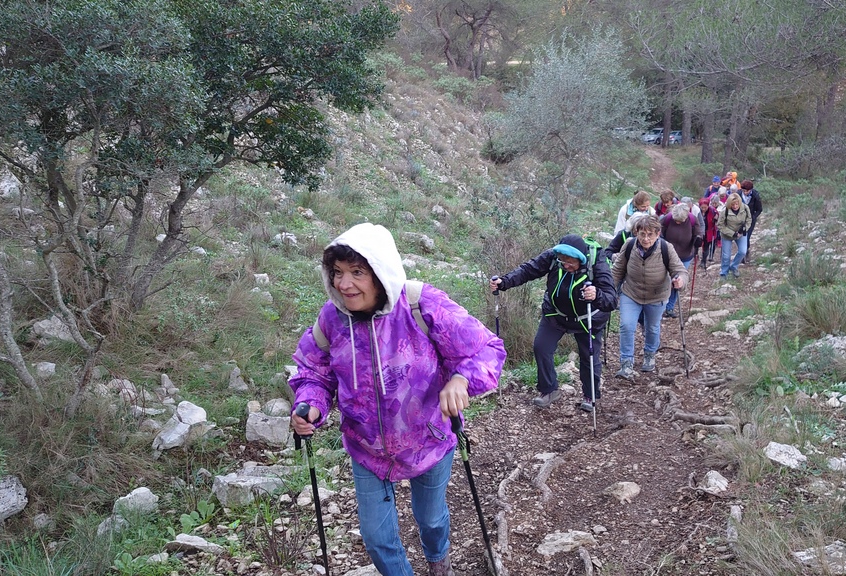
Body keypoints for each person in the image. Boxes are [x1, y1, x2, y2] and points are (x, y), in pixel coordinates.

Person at [289, 223, 506, 576]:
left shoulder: (421, 303)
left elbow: (487, 349)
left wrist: (461, 380)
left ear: (380, 272)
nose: (344, 284)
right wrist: (310, 402)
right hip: (366, 447)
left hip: (430, 439)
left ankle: (439, 563)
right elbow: (312, 371)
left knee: (431, 519)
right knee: (376, 538)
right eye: (338, 273)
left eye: (357, 272)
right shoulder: (332, 319)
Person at [490, 235, 617, 412]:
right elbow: (529, 270)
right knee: (541, 347)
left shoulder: (597, 263)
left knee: (588, 356)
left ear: (580, 259)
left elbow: (611, 300)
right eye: (562, 261)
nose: (565, 265)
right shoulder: (553, 257)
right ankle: (549, 390)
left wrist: (597, 295)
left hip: (588, 317)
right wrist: (504, 282)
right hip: (556, 313)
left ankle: (591, 395)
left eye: (570, 262)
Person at [610, 216, 688, 377]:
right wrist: (608, 289)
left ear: (658, 234)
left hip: (657, 296)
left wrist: (680, 280)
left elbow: (679, 270)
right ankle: (626, 363)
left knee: (652, 328)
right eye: (642, 234)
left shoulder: (666, 248)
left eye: (650, 234)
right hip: (631, 293)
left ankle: (649, 355)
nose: (646, 238)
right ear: (636, 233)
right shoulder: (629, 245)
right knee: (626, 326)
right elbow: (617, 270)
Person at [660, 203, 701, 318]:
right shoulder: (668, 218)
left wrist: (698, 239)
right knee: (665, 280)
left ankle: (669, 308)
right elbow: (659, 230)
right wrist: (661, 239)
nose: (677, 222)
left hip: (685, 255)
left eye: (680, 221)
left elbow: (698, 232)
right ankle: (661, 306)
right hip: (667, 255)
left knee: (676, 281)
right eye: (676, 220)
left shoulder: (692, 220)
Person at [716, 193, 753, 279]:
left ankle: (734, 266)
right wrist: (732, 233)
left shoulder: (745, 208)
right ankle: (724, 273)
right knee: (726, 256)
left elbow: (749, 220)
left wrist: (744, 229)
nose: (735, 206)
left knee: (743, 251)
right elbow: (720, 225)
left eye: (737, 204)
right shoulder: (724, 211)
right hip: (727, 234)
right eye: (733, 204)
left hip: (741, 233)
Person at [739, 180, 763, 263]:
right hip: (739, 219)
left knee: (747, 236)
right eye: (743, 191)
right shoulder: (738, 194)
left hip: (750, 220)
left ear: (751, 190)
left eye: (747, 191)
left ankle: (745, 253)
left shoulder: (755, 196)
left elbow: (760, 209)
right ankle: (742, 252)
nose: (745, 192)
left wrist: (753, 217)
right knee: (741, 236)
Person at [698, 197, 719, 270]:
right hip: (700, 231)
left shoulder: (712, 211)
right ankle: (696, 257)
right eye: (702, 207)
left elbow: (718, 217)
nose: (703, 209)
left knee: (706, 247)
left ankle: (703, 261)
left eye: (705, 207)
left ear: (708, 206)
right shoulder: (697, 211)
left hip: (709, 231)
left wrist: (716, 219)